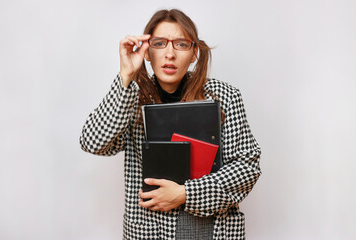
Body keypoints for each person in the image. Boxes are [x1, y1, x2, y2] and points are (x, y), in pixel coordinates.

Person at [80, 8, 261, 240]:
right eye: (159, 43)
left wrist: (186, 193)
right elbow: (92, 143)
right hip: (149, 230)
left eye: (181, 44)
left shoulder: (224, 97)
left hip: (212, 229)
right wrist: (125, 77)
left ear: (194, 52)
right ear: (146, 51)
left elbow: (247, 167)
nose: (169, 54)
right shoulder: (131, 100)